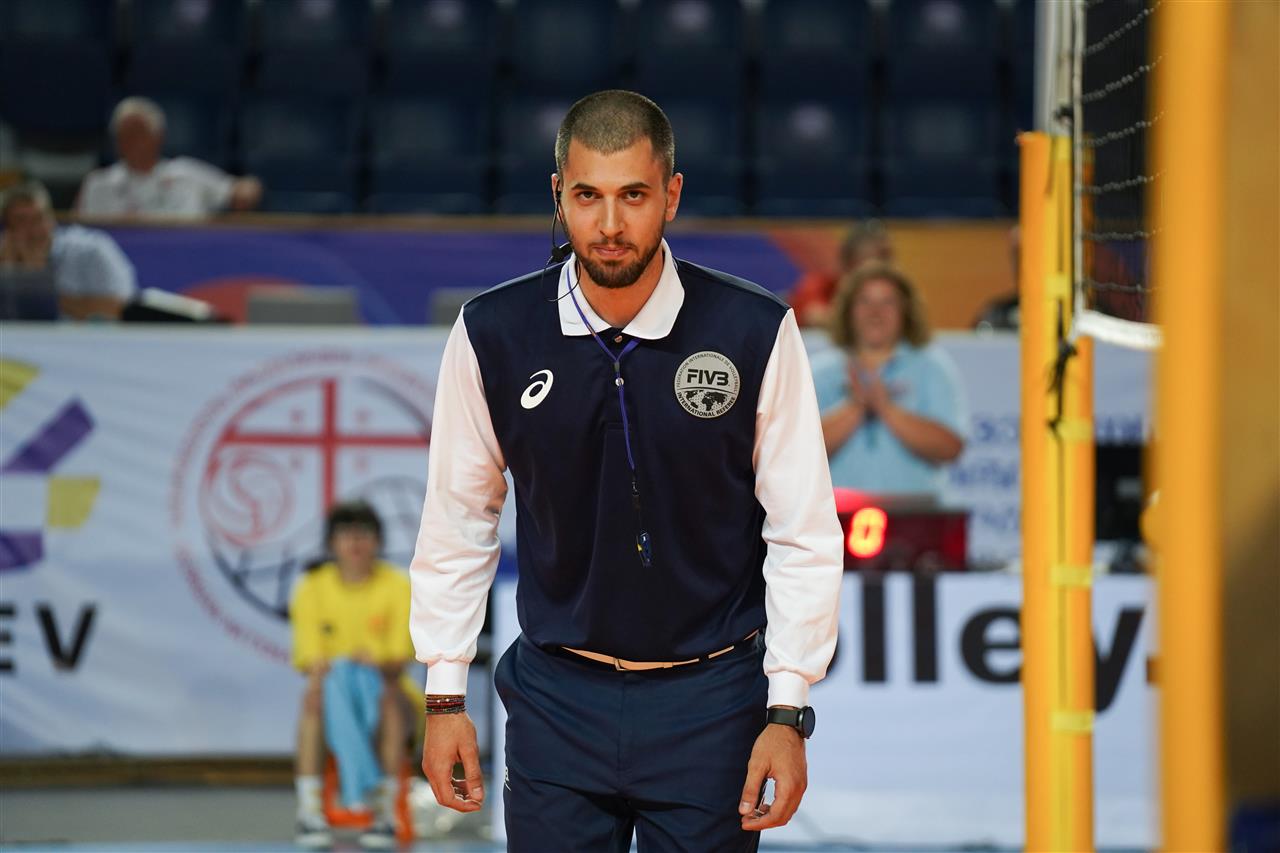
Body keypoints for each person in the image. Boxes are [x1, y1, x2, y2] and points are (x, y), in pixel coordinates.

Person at [409, 90, 843, 851]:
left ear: (671, 195)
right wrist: (445, 697)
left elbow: (802, 530)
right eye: (589, 197)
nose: (610, 225)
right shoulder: (493, 331)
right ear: (559, 196)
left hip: (712, 700)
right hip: (555, 697)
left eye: (633, 196)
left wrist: (787, 710)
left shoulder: (753, 329)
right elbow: (458, 519)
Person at [290, 501, 414, 851]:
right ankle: (309, 812)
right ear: (332, 543)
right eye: (347, 535)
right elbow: (309, 658)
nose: (355, 543)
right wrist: (334, 673)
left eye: (364, 534)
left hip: (387, 689)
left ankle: (383, 813)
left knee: (389, 704)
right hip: (331, 693)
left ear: (378, 541)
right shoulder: (312, 586)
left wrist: (373, 665)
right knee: (314, 701)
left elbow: (399, 660)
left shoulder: (397, 585)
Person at [812, 263, 968, 498]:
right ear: (848, 310)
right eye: (865, 301)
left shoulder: (932, 367)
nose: (875, 312)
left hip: (916, 513)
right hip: (833, 514)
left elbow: (950, 448)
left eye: (888, 302)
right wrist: (855, 407)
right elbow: (800, 451)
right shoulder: (820, 371)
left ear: (905, 311)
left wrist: (886, 408)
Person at [76, 97, 262, 219]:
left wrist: (247, 192)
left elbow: (243, 189)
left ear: (158, 137)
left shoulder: (186, 173)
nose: (130, 141)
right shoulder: (98, 183)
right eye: (123, 134)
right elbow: (78, 234)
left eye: (138, 133)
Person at [0, 181, 137, 320]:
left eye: (38, 218)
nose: (34, 230)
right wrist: (8, 275)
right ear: (8, 229)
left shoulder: (92, 250)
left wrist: (37, 285)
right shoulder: (4, 257)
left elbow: (122, 309)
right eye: (22, 221)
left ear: (51, 219)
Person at [788, 219, 894, 328]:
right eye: (878, 258)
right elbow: (814, 317)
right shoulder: (819, 286)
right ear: (849, 262)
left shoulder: (893, 291)